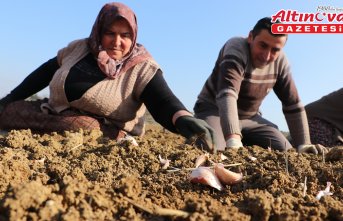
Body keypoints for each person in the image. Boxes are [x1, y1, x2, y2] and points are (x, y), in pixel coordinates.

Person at [0, 2, 216, 151]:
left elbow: (163, 101)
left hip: (103, 129)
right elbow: (42, 74)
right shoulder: (79, 48)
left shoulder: (142, 66)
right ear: (99, 31)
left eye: (125, 35)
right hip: (53, 114)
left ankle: (44, 133)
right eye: (110, 33)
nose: (117, 42)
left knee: (82, 126)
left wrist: (182, 119)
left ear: (134, 36)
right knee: (10, 110)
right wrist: (8, 99)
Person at [193, 17, 326, 154]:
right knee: (214, 149)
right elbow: (228, 94)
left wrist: (303, 144)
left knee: (285, 151)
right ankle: (214, 134)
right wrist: (233, 138)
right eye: (263, 45)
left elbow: (292, 104)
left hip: (250, 117)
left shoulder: (280, 62)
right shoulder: (236, 48)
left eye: (275, 50)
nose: (267, 56)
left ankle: (243, 139)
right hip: (214, 110)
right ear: (251, 37)